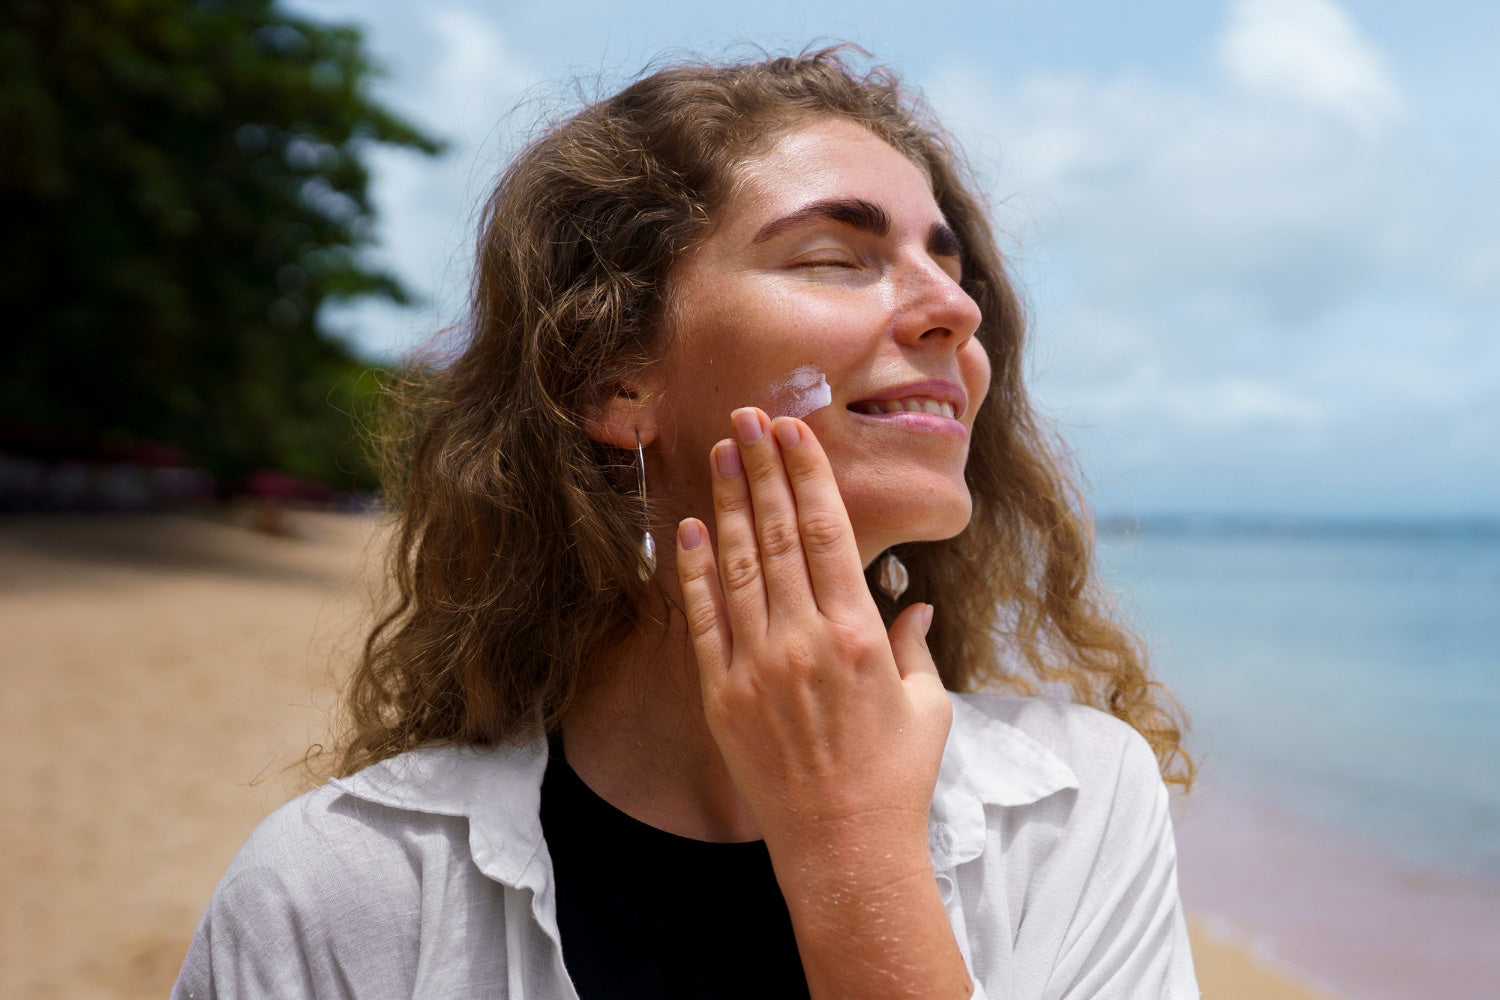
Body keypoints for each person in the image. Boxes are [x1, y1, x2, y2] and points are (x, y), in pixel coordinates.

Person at [173, 47, 1197, 999]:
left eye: (952, 265)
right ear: (612, 377)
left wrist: (854, 856)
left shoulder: (1077, 807)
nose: (956, 311)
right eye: (838, 257)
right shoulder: (340, 888)